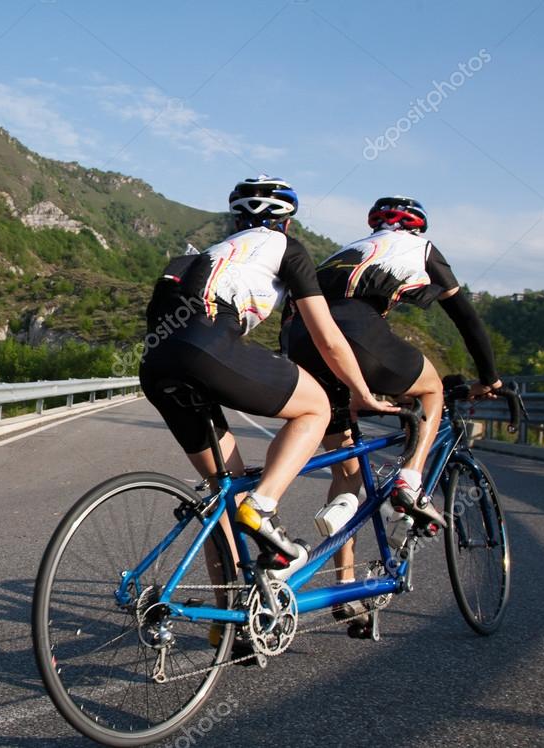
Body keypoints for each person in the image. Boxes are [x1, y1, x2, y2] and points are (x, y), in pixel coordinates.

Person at [139, 176, 398, 579]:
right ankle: (262, 507)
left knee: (224, 491)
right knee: (317, 407)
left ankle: (227, 623)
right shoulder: (287, 249)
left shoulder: (202, 255)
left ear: (235, 220)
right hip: (207, 346)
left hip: (155, 363)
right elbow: (326, 337)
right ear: (288, 223)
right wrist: (361, 392)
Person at [280, 195, 502, 618]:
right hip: (354, 333)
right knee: (431, 388)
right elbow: (467, 319)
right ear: (418, 228)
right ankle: (411, 480)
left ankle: (345, 588)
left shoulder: (342, 254)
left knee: (346, 471)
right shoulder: (422, 249)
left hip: (300, 341)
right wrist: (489, 378)